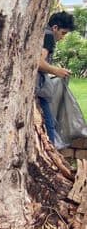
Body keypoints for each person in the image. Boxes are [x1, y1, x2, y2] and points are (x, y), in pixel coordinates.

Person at [37, 11, 74, 143]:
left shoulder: (42, 33)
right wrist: (55, 70)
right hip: (39, 89)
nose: (63, 37)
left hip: (37, 88)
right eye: (63, 33)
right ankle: (51, 147)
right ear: (55, 28)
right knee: (49, 124)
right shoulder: (48, 36)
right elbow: (38, 62)